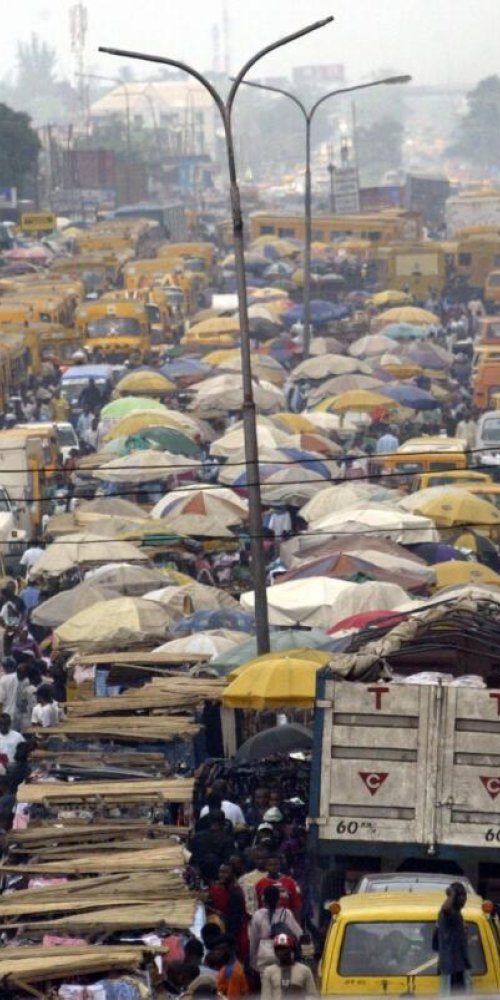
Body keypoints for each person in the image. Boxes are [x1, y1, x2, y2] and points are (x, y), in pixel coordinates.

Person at [249, 884, 302, 974]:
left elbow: (253, 940)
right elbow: (299, 934)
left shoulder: (258, 914)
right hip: (283, 954)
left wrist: (253, 962)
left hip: (264, 957)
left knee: (267, 984)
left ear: (264, 899)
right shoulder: (287, 913)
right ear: (279, 898)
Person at [207, 863, 249, 961]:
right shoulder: (223, 889)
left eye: (225, 872)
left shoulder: (235, 893)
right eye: (220, 872)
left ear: (233, 874)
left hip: (233, 936)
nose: (221, 875)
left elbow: (236, 919)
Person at [436, 882, 471, 994]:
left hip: (459, 965)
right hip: (451, 967)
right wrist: (451, 894)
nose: (464, 900)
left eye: (465, 896)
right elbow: (445, 909)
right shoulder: (447, 912)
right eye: (461, 896)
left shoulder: (457, 914)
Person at [260, 933, 317, 1000]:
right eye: (278, 949)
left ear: (291, 950)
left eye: (284, 948)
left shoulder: (305, 970)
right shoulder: (268, 972)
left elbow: (313, 995)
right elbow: (265, 997)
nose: (281, 952)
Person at [239, 846, 270, 917]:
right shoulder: (245, 879)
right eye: (258, 858)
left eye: (263, 858)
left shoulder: (275, 877)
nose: (261, 861)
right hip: (252, 916)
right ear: (254, 859)